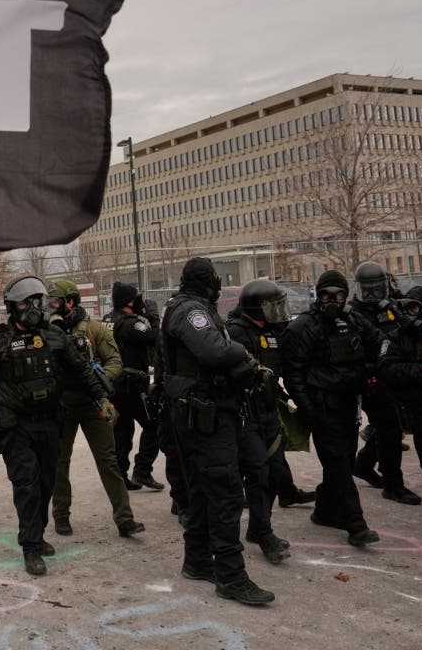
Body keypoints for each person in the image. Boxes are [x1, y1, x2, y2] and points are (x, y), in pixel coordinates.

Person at [0, 275, 113, 576]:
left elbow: (81, 369)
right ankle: (30, 547)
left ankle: (38, 534)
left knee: (46, 482)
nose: (33, 307)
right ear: (12, 306)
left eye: (38, 301)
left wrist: (102, 398)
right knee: (27, 484)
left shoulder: (55, 336)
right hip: (15, 425)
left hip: (48, 423)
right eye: (25, 302)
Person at [158, 258, 274, 605]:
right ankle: (231, 576)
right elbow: (213, 350)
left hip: (198, 411)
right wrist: (244, 353)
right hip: (204, 414)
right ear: (207, 282)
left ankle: (197, 561)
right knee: (224, 493)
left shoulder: (189, 308)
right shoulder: (191, 311)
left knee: (200, 490)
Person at [280, 270, 383, 548]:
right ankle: (355, 524)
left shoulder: (354, 320)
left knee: (343, 463)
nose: (332, 301)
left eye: (338, 295)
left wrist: (372, 370)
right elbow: (293, 373)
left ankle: (325, 511)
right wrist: (309, 410)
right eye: (326, 295)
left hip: (349, 404)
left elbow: (380, 344)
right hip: (322, 406)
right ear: (318, 295)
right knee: (337, 462)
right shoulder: (304, 326)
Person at [46, 279, 143, 539]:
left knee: (108, 462)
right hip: (62, 405)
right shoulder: (48, 331)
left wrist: (100, 378)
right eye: (50, 301)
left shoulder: (95, 329)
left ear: (71, 301)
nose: (52, 306)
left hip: (92, 402)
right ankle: (61, 515)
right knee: (59, 463)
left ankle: (125, 519)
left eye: (56, 301)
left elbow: (115, 361)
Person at [224, 280, 295, 565]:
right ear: (258, 307)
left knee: (276, 471)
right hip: (245, 414)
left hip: (268, 411)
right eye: (273, 306)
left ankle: (256, 526)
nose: (278, 311)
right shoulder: (236, 333)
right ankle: (265, 534)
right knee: (257, 473)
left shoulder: (273, 331)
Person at [350, 261, 421, 505]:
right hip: (370, 378)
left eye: (376, 289)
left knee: (388, 426)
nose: (371, 295)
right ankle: (393, 483)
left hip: (394, 374)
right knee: (390, 426)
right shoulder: (353, 313)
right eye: (366, 290)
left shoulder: (392, 307)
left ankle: (364, 463)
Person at [379, 286, 422, 537]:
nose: (409, 313)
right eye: (406, 307)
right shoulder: (397, 337)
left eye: (415, 307)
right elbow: (387, 370)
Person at [108, 283, 163, 491]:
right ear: (129, 302)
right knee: (154, 426)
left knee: (122, 432)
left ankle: (121, 476)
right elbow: (155, 338)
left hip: (115, 385)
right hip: (131, 386)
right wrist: (154, 317)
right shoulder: (130, 323)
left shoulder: (108, 320)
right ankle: (142, 471)